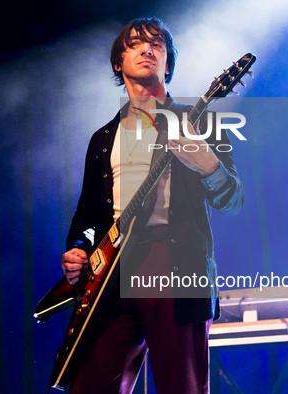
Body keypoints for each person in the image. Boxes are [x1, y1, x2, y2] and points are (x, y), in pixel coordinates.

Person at [60, 17, 243, 393]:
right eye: (136, 43)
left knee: (182, 385)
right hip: (112, 272)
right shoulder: (103, 138)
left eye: (157, 44)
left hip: (174, 263)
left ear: (168, 64)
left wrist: (209, 165)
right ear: (118, 62)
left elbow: (234, 201)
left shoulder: (200, 122)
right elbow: (88, 215)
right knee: (90, 384)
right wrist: (79, 249)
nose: (147, 49)